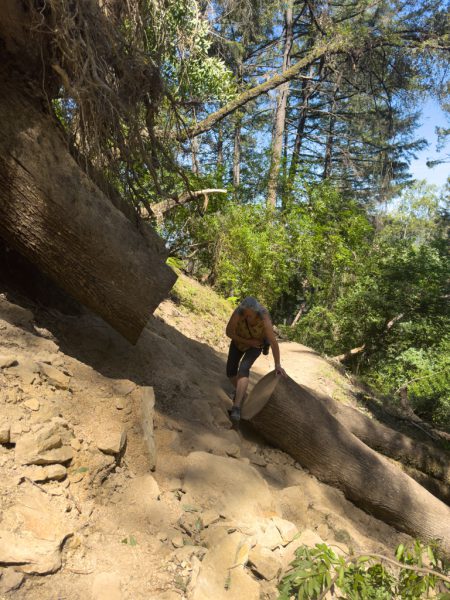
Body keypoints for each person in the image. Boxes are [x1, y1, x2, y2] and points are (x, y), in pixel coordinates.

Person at [225, 296, 286, 421]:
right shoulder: (239, 312)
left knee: (243, 368)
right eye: (244, 315)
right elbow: (229, 332)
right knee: (230, 372)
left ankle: (236, 407)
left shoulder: (264, 318)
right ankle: (241, 394)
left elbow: (274, 343)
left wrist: (277, 365)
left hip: (256, 345)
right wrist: (247, 341)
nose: (246, 317)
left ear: (256, 313)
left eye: (249, 315)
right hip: (238, 342)